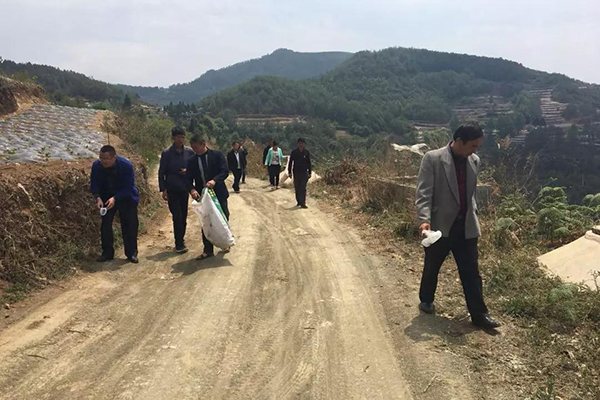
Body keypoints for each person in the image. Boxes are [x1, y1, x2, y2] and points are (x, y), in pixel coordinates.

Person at [415, 121, 500, 330]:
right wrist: (424, 220)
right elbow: (424, 193)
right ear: (459, 141)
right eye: (473, 146)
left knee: (471, 271)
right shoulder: (433, 159)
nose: (475, 151)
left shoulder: (474, 161)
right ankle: (426, 299)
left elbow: (470, 194)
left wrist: (474, 214)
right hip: (441, 225)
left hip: (466, 226)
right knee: (432, 265)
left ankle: (479, 315)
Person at [90, 145, 139, 263]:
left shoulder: (126, 166)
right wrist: (98, 198)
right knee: (105, 225)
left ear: (114, 158)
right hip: (106, 197)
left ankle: (131, 253)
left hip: (126, 197)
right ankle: (107, 252)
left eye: (106, 159)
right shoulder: (97, 166)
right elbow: (94, 183)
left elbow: (128, 187)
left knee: (129, 225)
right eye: (101, 158)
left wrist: (115, 198)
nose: (103, 161)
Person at [186, 135, 230, 260]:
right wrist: (192, 189)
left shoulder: (217, 155)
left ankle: (225, 243)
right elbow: (188, 179)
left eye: (196, 147)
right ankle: (208, 250)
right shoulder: (192, 161)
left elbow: (224, 171)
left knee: (223, 217)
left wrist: (214, 181)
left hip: (218, 193)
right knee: (206, 221)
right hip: (203, 196)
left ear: (203, 144)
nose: (195, 150)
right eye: (193, 148)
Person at [158, 126, 195, 253]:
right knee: (177, 216)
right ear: (173, 138)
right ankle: (179, 243)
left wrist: (188, 171)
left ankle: (181, 239)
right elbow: (161, 172)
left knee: (183, 216)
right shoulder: (167, 153)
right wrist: (163, 189)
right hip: (172, 188)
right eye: (178, 137)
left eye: (183, 137)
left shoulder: (189, 152)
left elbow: (195, 166)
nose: (181, 140)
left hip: (184, 188)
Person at [288, 138, 312, 208]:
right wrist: (289, 172)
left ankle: (303, 203)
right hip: (296, 172)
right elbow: (290, 162)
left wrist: (310, 172)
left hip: (304, 172)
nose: (301, 145)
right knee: (297, 187)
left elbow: (309, 162)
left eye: (302, 143)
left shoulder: (306, 152)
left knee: (303, 187)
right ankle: (298, 201)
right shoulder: (294, 152)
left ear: (304, 144)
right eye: (300, 143)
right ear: (297, 144)